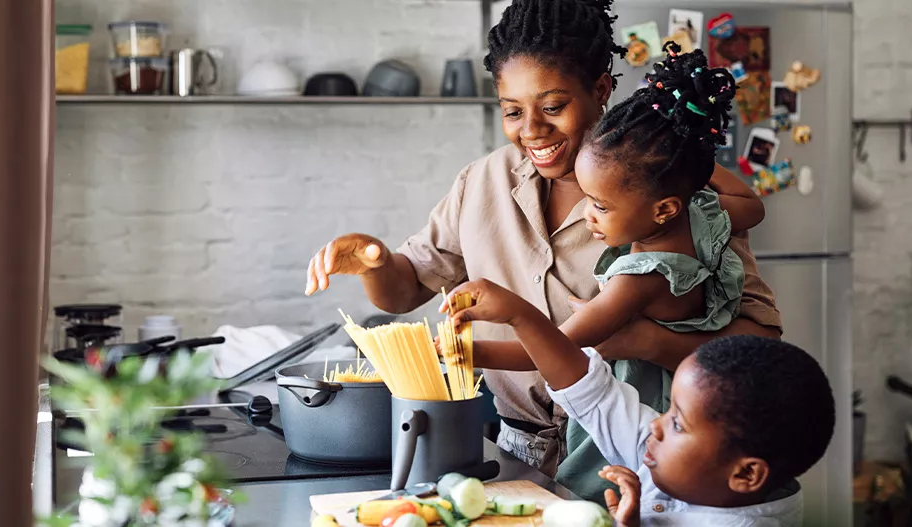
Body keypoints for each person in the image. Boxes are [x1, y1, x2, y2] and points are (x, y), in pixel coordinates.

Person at [303, 0, 782, 497]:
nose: (531, 129)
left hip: (638, 453)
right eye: (513, 111)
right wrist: (375, 262)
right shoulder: (482, 182)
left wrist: (647, 343)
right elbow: (404, 290)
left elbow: (760, 347)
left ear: (601, 89)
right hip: (515, 452)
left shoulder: (666, 188)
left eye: (553, 107)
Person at [466, 42, 764, 383]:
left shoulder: (636, 282)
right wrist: (684, 154)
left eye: (600, 205)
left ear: (664, 209)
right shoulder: (701, 217)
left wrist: (471, 352)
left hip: (648, 406)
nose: (587, 214)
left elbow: (554, 347)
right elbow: (752, 205)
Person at [441, 279, 835, 526]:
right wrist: (519, 316)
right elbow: (590, 391)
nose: (657, 424)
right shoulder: (671, 459)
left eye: (678, 423)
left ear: (746, 474)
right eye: (670, 410)